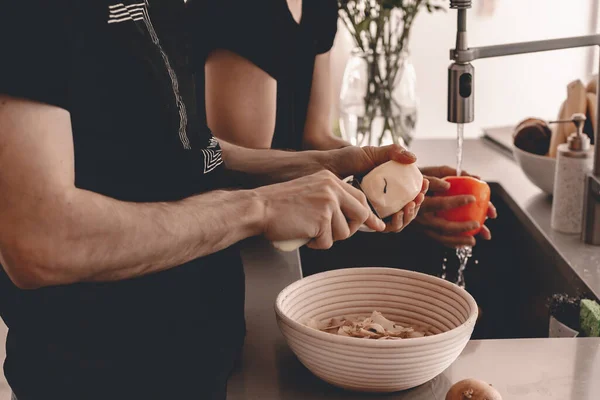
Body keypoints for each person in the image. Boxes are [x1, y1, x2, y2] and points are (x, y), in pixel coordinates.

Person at [0, 1, 427, 400]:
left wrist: (324, 162)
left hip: (200, 363)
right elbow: (41, 240)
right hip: (94, 377)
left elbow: (184, 148)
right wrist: (258, 207)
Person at [191, 0, 497, 247]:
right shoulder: (244, 8)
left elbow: (316, 138)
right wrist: (372, 199)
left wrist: (401, 184)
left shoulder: (318, 6)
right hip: (237, 244)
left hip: (290, 228)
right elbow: (245, 171)